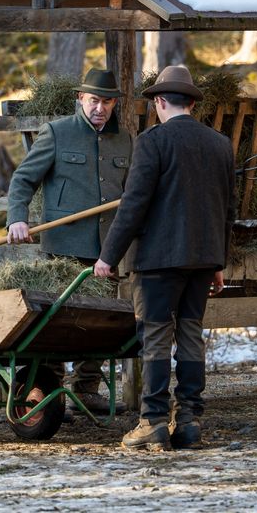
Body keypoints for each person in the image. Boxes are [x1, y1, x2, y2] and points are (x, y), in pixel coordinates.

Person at [94, 64, 235, 451]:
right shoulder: (220, 143)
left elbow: (134, 205)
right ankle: (188, 420)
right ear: (191, 102)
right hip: (204, 257)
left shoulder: (152, 142)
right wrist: (219, 262)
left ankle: (153, 421)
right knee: (190, 335)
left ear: (159, 102)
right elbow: (228, 210)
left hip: (158, 259)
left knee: (155, 338)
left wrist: (108, 256)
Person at [5, 68, 132, 414]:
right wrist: (17, 217)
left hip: (107, 249)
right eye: (94, 100)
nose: (100, 108)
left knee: (101, 323)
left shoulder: (125, 140)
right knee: (54, 324)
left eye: (107, 102)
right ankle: (46, 390)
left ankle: (87, 388)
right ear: (80, 99)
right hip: (63, 247)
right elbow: (23, 180)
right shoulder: (57, 133)